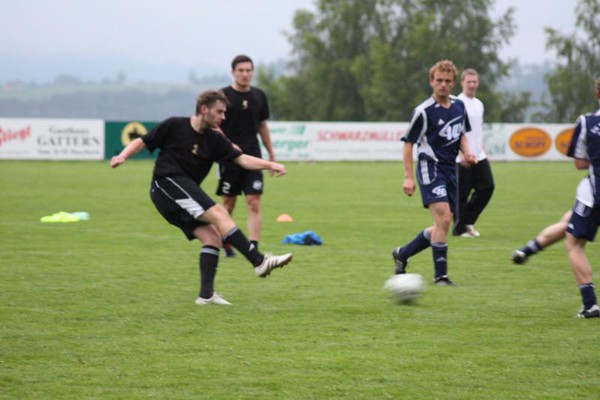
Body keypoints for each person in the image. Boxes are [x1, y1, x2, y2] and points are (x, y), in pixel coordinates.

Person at [110, 90, 293, 306]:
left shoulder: (215, 139)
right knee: (219, 213)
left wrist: (270, 164)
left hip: (182, 192)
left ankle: (206, 295)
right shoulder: (175, 125)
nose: (223, 117)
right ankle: (259, 261)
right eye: (219, 112)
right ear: (204, 109)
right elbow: (142, 141)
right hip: (166, 185)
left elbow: (242, 160)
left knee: (213, 237)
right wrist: (123, 155)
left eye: (224, 112)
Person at [391, 60, 477, 286]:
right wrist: (408, 177)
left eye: (447, 81)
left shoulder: (459, 106)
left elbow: (461, 135)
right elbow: (408, 144)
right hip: (430, 168)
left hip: (451, 170)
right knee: (445, 219)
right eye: (439, 80)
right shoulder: (423, 111)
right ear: (431, 81)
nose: (443, 85)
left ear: (454, 83)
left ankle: (403, 253)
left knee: (442, 225)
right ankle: (441, 277)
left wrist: (468, 152)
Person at [216, 55, 276, 258]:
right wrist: (227, 145)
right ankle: (225, 242)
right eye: (241, 70)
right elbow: (215, 126)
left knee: (254, 202)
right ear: (233, 72)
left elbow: (262, 125)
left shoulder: (259, 96)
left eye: (248, 70)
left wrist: (271, 153)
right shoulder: (223, 96)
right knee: (228, 204)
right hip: (229, 159)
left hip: (254, 158)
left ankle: (253, 247)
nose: (245, 74)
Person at [563, 76, 600, 318]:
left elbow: (579, 163)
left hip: (594, 195)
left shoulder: (587, 122)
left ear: (597, 94)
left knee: (574, 244)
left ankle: (590, 304)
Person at [454, 68, 495, 237]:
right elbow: (456, 130)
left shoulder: (479, 104)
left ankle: (467, 221)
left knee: (487, 187)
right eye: (468, 82)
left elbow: (478, 128)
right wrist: (461, 152)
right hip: (463, 155)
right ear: (462, 83)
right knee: (462, 193)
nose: (471, 85)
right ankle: (459, 229)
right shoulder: (457, 103)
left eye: (474, 82)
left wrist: (481, 145)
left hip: (479, 155)